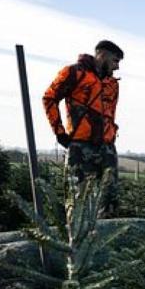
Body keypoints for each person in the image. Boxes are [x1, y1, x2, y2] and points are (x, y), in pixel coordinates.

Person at [43, 40, 124, 216]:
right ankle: (77, 242)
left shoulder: (112, 83)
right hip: (80, 146)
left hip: (107, 148)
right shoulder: (74, 73)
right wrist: (59, 132)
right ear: (102, 55)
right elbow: (49, 98)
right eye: (115, 61)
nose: (117, 67)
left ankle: (106, 241)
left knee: (110, 202)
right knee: (78, 201)